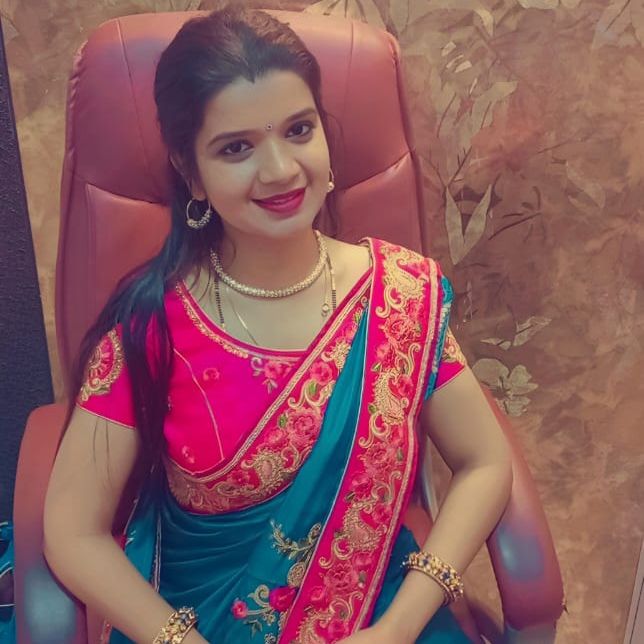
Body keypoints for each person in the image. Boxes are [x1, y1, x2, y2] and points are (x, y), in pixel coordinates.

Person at [42, 6, 513, 643]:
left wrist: (401, 625)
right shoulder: (153, 325)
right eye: (236, 148)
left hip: (375, 610)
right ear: (191, 173)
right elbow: (72, 531)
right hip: (199, 624)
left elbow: (484, 461)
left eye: (298, 130)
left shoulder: (398, 298)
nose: (280, 170)